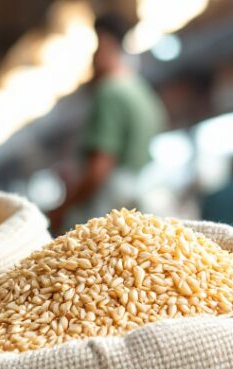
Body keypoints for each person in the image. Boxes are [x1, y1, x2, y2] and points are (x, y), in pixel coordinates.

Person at [48, 14, 167, 231]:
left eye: (95, 49)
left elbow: (99, 168)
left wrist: (62, 209)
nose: (92, 58)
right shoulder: (143, 94)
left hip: (111, 214)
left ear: (107, 46)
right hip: (140, 213)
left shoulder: (109, 93)